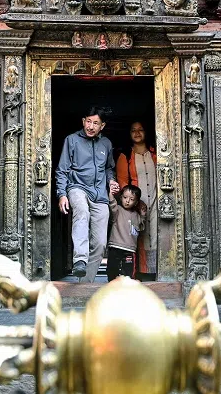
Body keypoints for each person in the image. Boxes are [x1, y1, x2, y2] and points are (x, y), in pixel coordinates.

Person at [56, 107, 121, 282]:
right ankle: (79, 260)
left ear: (102, 125)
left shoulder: (106, 144)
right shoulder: (71, 140)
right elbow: (62, 170)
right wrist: (62, 194)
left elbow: (109, 169)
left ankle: (85, 283)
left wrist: (111, 181)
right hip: (77, 187)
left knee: (100, 243)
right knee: (82, 213)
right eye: (88, 121)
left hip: (100, 194)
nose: (91, 126)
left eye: (96, 123)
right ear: (83, 121)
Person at [116, 121, 158, 279]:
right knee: (138, 237)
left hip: (156, 202)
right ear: (129, 134)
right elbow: (122, 182)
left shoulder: (156, 154)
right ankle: (140, 272)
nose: (137, 133)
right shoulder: (125, 156)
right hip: (135, 206)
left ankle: (157, 271)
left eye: (141, 129)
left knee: (156, 234)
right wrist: (134, 203)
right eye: (133, 130)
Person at [107, 185, 146, 281]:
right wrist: (111, 194)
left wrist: (143, 216)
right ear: (121, 198)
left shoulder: (136, 215)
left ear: (136, 202)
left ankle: (127, 291)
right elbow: (112, 205)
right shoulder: (118, 210)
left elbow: (140, 228)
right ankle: (111, 289)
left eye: (131, 199)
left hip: (129, 249)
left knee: (129, 272)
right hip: (115, 246)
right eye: (125, 197)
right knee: (112, 271)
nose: (127, 201)